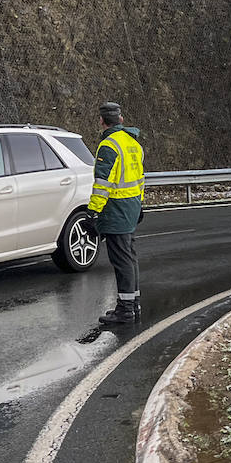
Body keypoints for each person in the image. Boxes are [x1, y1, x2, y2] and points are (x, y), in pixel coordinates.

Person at [89, 102, 146, 324]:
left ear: (102, 121)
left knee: (121, 260)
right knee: (130, 258)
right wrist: (140, 204)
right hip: (131, 206)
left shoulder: (108, 146)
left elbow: (102, 184)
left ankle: (125, 309)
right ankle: (134, 304)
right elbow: (141, 178)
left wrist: (93, 212)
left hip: (116, 209)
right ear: (121, 120)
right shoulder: (133, 144)